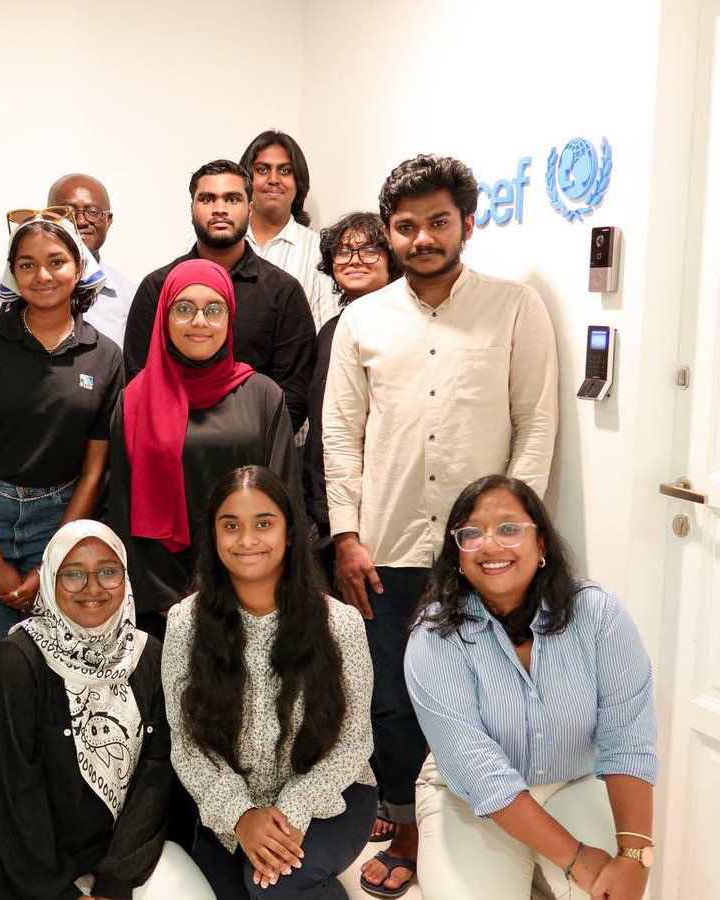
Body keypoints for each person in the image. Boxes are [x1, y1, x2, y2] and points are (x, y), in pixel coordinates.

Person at [322, 154, 560, 897]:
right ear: (388, 232)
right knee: (394, 700)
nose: (422, 237)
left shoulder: (515, 308)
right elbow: (339, 434)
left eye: (438, 221)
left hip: (482, 556)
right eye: (406, 226)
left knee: (486, 700)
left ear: (465, 222)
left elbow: (537, 422)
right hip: (387, 549)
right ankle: (411, 828)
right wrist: (347, 536)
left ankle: (480, 834)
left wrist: (512, 536)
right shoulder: (363, 319)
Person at [406, 475, 658, 900]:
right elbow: (481, 775)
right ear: (458, 556)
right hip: (468, 800)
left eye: (509, 528)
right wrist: (576, 858)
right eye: (471, 534)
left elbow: (629, 739)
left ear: (540, 544)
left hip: (573, 780)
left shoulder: (599, 615)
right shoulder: (434, 636)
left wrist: (634, 856)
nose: (490, 545)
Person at [0, 211, 123, 792]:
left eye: (56, 261)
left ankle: (57, 816)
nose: (42, 275)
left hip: (63, 518)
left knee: (62, 676)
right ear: (12, 275)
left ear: (79, 269)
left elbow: (96, 466)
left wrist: (52, 559)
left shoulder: (105, 354)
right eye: (27, 265)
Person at [0, 519, 215, 900]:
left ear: (126, 577)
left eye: (107, 572)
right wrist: (62, 893)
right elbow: (15, 794)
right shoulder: (15, 663)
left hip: (123, 856)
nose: (93, 588)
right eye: (73, 575)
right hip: (30, 870)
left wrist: (113, 882)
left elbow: (155, 775)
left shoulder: (147, 654)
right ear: (50, 581)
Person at [162, 465, 376, 900]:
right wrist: (241, 816)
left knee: (273, 883)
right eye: (231, 526)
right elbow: (186, 744)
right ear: (214, 536)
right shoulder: (186, 623)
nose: (247, 540)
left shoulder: (341, 624)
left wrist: (287, 813)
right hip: (228, 806)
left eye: (263, 523)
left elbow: (354, 742)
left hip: (330, 798)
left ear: (291, 532)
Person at [108, 258, 301, 640]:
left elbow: (284, 498)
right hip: (162, 607)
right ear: (164, 318)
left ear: (230, 319)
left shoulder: (262, 394)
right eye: (184, 309)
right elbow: (122, 505)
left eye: (214, 310)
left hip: (253, 593)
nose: (199, 321)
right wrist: (168, 601)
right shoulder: (134, 399)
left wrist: (252, 586)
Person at [122, 159, 315, 432]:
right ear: (192, 209)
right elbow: (139, 379)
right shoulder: (158, 287)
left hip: (252, 458)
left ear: (249, 209)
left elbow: (293, 394)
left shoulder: (282, 291)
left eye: (232, 199)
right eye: (208, 199)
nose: (220, 209)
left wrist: (247, 449)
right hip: (169, 447)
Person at [302, 213, 401, 601]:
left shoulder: (401, 331)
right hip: (324, 514)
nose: (354, 259)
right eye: (344, 250)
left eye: (369, 249)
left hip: (374, 520)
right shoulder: (331, 329)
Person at [0, 174, 138, 346]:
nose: (81, 221)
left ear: (108, 220)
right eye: (68, 211)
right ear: (47, 216)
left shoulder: (129, 297)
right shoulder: (2, 292)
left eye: (93, 212)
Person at [239, 130, 336, 330]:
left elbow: (326, 332)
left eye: (285, 171)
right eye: (263, 169)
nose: (274, 179)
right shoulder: (216, 243)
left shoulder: (320, 251)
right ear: (246, 181)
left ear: (298, 183)